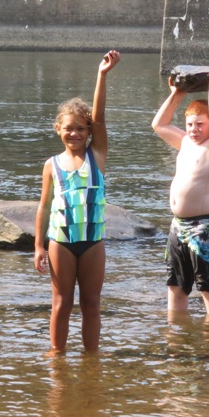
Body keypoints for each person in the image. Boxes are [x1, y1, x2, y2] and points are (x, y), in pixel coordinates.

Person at [34, 50, 121, 354]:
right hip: (61, 242)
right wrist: (38, 246)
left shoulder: (96, 157)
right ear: (58, 129)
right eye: (68, 128)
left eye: (81, 129)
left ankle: (91, 358)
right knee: (61, 302)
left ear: (89, 133)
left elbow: (99, 116)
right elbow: (44, 207)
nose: (74, 133)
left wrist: (102, 74)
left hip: (92, 243)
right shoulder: (51, 165)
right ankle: (56, 356)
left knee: (92, 303)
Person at [151, 67, 209, 317]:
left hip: (204, 225)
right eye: (190, 124)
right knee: (175, 284)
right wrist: (176, 94)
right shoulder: (185, 142)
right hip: (178, 225)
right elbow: (159, 124)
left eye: (199, 124)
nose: (194, 129)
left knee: (208, 286)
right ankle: (177, 337)